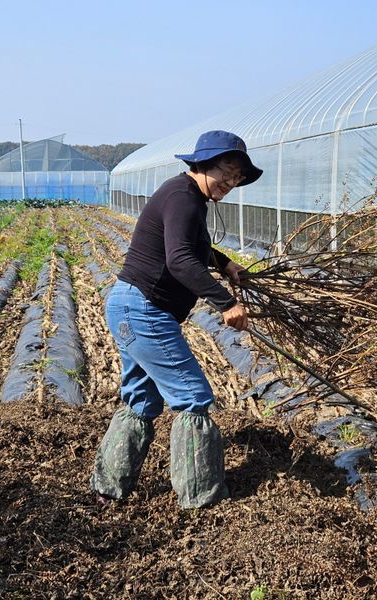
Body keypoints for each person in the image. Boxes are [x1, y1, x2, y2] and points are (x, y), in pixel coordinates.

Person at [90, 130, 262, 508]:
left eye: (237, 179)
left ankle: (107, 488)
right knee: (193, 396)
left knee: (141, 399)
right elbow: (180, 260)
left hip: (131, 306)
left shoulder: (186, 197)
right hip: (145, 309)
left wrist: (224, 262)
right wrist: (225, 302)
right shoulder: (183, 198)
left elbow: (192, 247)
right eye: (227, 174)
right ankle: (202, 499)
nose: (230, 184)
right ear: (201, 164)